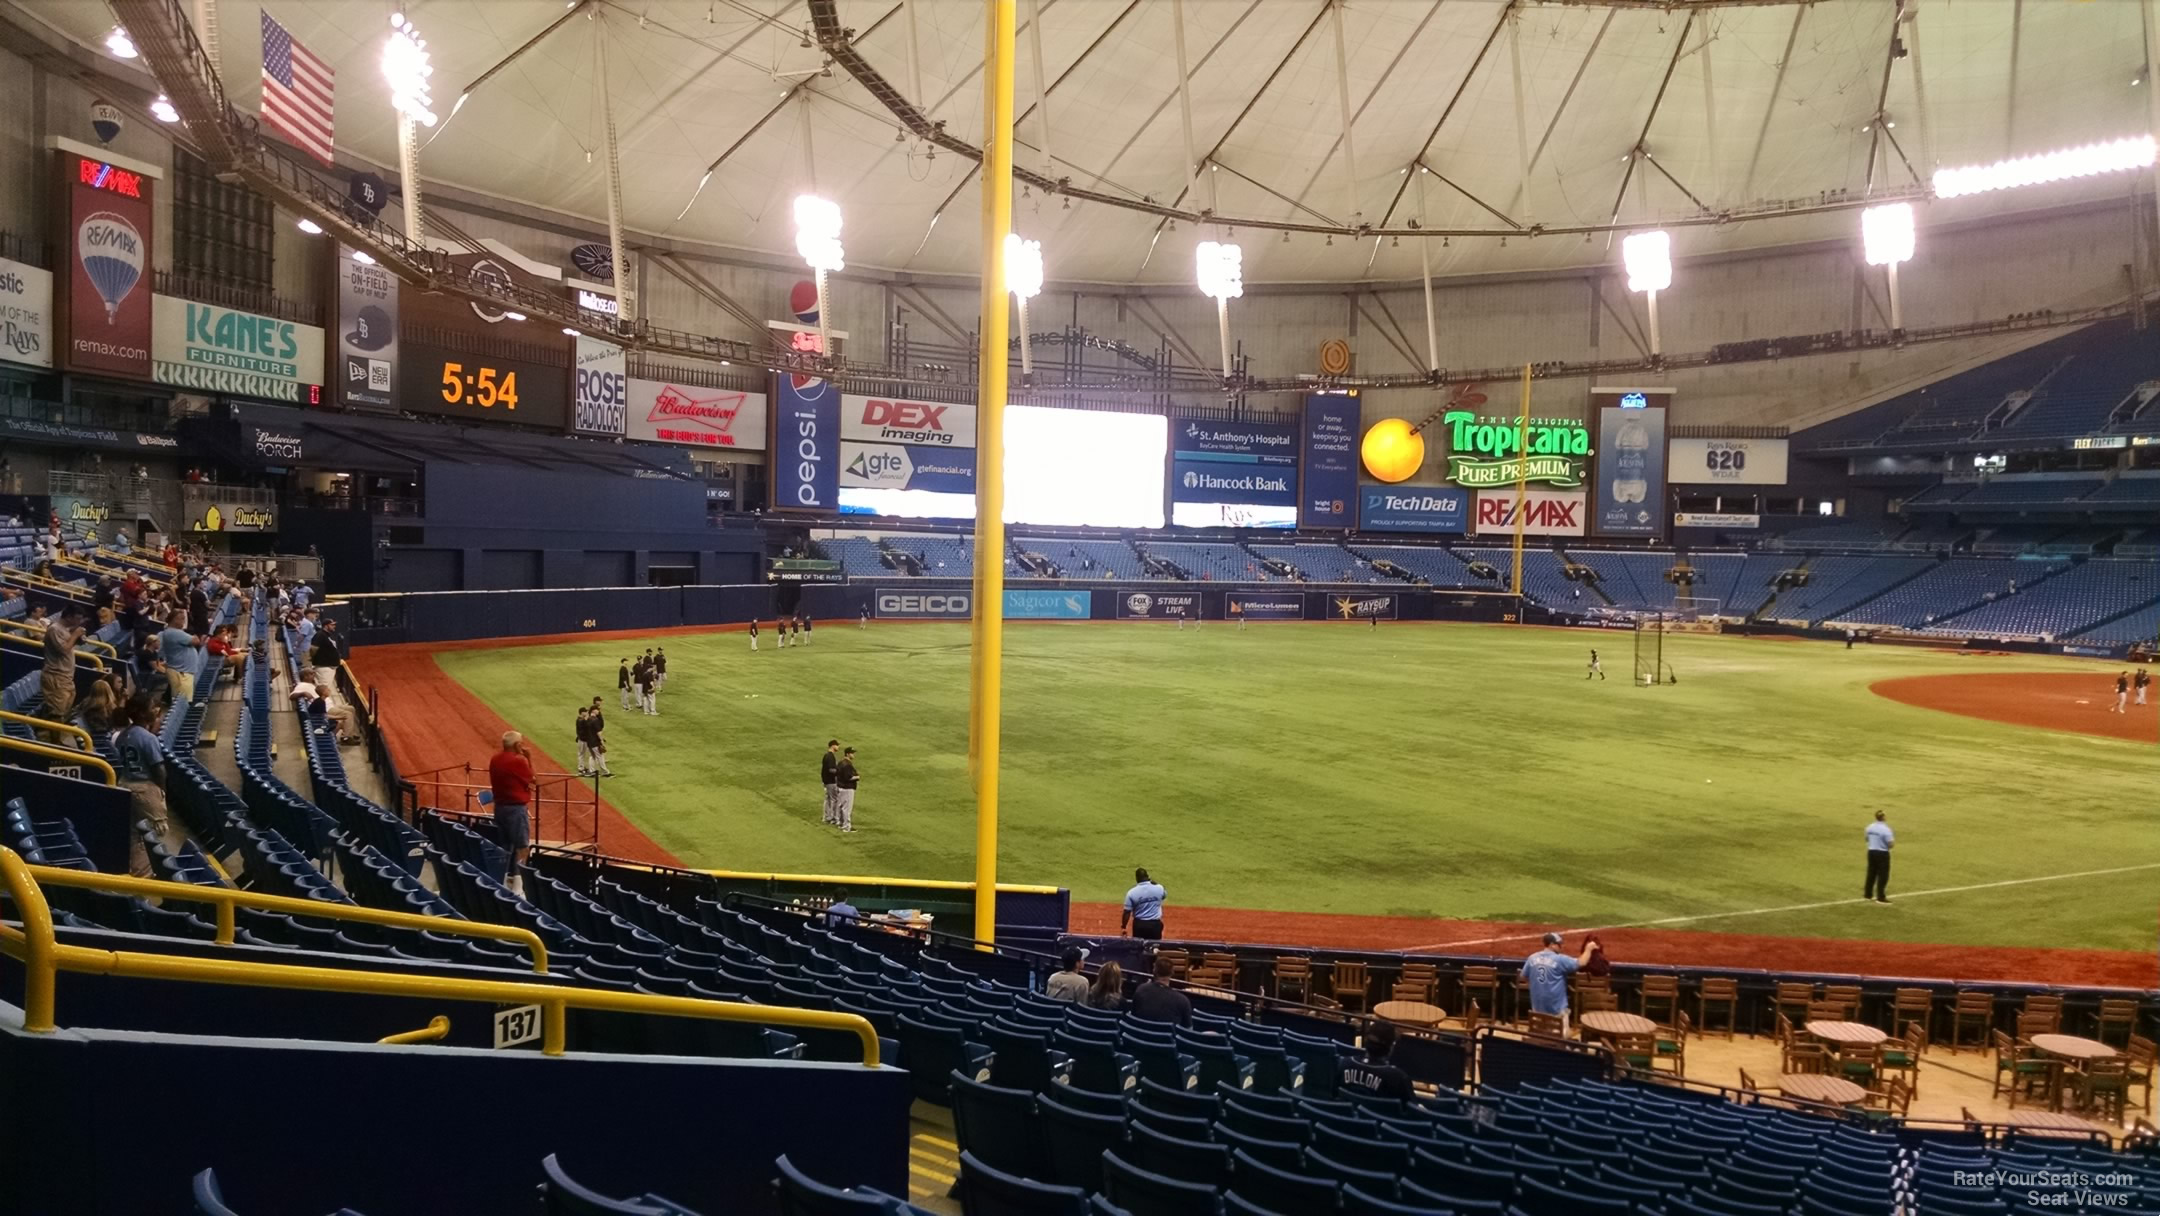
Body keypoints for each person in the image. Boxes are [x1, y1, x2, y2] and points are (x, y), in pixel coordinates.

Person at [112, 693, 174, 878]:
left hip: (125, 784)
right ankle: (146, 873)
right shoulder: (148, 738)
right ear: (141, 713)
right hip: (144, 787)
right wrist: (162, 791)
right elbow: (159, 770)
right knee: (153, 832)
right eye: (150, 707)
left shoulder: (123, 735)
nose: (154, 710)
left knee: (134, 833)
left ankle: (140, 871)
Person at [487, 731, 535, 893]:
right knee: (522, 846)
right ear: (518, 745)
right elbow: (533, 779)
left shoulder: (495, 759)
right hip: (515, 809)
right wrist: (528, 758)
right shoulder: (518, 761)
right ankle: (519, 887)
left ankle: (500, 880)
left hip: (499, 808)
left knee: (505, 846)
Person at [1523, 933, 1597, 1034]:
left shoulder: (1532, 958)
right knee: (1561, 1042)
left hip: (1537, 1011)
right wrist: (1588, 949)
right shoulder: (1559, 959)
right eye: (1559, 944)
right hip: (1556, 1012)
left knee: (1540, 1039)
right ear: (1551, 945)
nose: (1561, 946)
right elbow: (1581, 962)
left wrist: (1538, 986)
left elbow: (1524, 976)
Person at [39, 605, 86, 744]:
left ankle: (52, 738)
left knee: (63, 710)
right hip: (55, 676)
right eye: (78, 618)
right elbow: (63, 650)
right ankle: (55, 743)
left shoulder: (65, 630)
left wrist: (76, 637)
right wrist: (75, 634)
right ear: (69, 616)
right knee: (56, 713)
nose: (80, 621)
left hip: (65, 676)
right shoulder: (54, 629)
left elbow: (68, 644)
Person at [1341, 1020, 1414, 1101]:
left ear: (1365, 1042)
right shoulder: (1399, 1078)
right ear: (1390, 1048)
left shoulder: (1344, 1064)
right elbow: (1412, 1110)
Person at [1129, 953, 1193, 1027]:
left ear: (1154, 971)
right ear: (1172, 973)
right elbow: (1188, 1030)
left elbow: (1133, 1017)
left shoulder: (1141, 989)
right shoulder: (1182, 1000)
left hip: (1138, 1037)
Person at [156, 610, 203, 706]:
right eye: (180, 619)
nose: (183, 621)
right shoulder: (173, 633)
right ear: (173, 620)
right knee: (184, 702)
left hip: (183, 670)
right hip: (181, 671)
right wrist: (194, 637)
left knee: (184, 699)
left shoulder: (176, 632)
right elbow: (196, 641)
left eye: (184, 619)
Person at [1121, 867, 1166, 941]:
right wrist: (1155, 883)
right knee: (1155, 946)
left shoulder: (1131, 893)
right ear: (1148, 876)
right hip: (1155, 925)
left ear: (1137, 878)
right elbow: (1164, 895)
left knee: (1138, 947)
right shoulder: (1159, 888)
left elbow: (1127, 912)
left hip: (1139, 925)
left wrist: (1124, 926)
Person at [1864, 810, 1895, 903]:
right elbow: (1891, 844)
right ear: (1884, 817)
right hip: (1882, 853)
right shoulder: (1886, 829)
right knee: (1883, 875)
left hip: (1871, 851)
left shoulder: (1870, 827)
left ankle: (1868, 894)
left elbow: (1866, 838)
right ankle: (1880, 897)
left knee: (1871, 873)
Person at [833, 746, 860, 832]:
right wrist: (857, 777)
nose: (853, 755)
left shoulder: (841, 762)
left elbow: (837, 774)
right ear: (848, 754)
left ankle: (841, 824)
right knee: (847, 808)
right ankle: (846, 826)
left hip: (840, 787)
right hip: (847, 788)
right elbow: (848, 777)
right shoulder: (847, 764)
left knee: (841, 806)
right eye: (852, 753)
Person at [587, 697, 614, 776]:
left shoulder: (588, 719)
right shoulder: (595, 720)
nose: (598, 711)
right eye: (597, 710)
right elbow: (598, 732)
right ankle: (605, 772)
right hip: (595, 742)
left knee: (593, 756)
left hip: (590, 741)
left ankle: (591, 771)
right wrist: (601, 740)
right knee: (600, 756)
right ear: (593, 711)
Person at [821, 739, 842, 826]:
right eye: (837, 745)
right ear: (833, 746)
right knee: (834, 799)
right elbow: (831, 770)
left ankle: (827, 817)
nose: (838, 747)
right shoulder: (830, 756)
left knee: (828, 799)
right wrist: (839, 771)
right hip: (831, 781)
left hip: (827, 781)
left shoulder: (827, 755)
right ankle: (832, 818)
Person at [575, 706, 596, 776]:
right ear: (582, 712)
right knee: (581, 754)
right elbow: (585, 728)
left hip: (583, 739)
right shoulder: (581, 720)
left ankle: (583, 767)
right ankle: (581, 769)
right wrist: (586, 720)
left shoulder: (581, 719)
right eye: (586, 711)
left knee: (583, 754)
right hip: (582, 740)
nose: (587, 713)